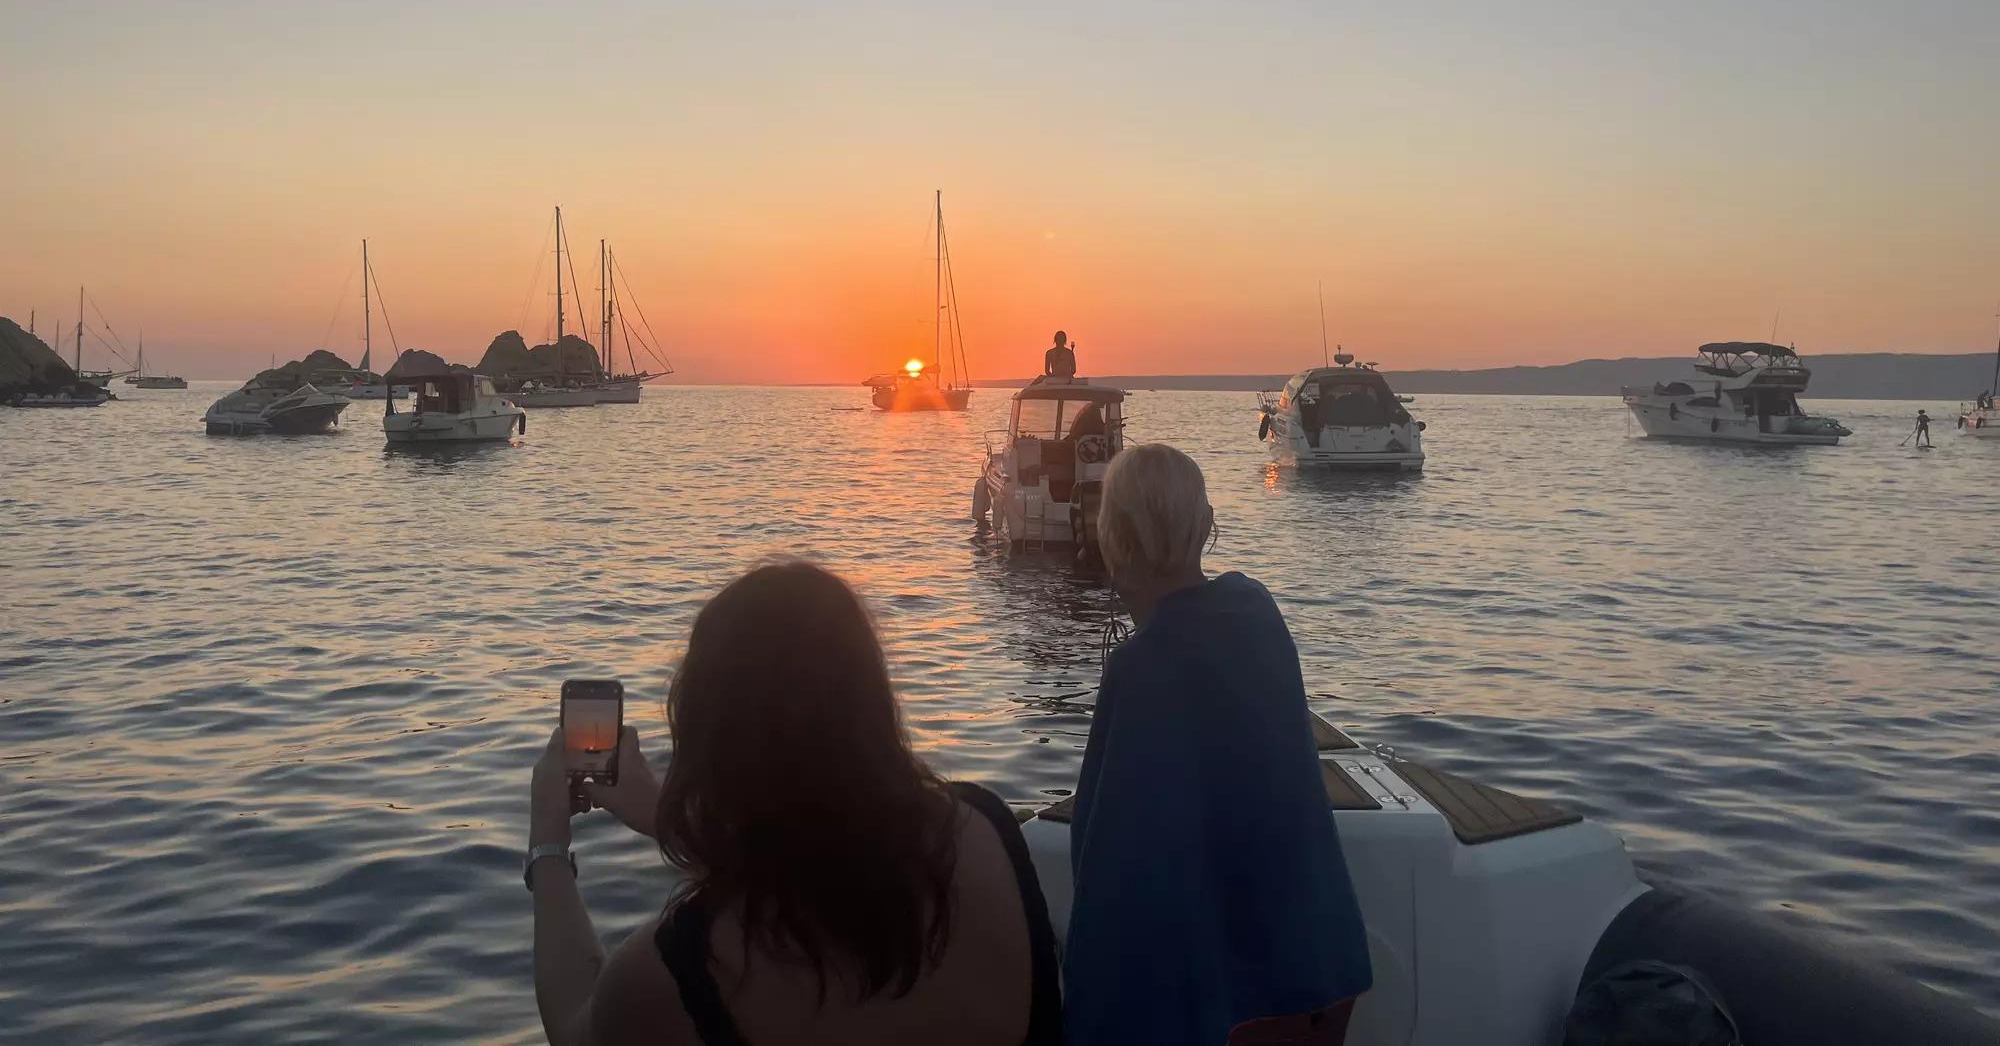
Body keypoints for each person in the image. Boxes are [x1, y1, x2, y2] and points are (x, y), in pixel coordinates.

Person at [527, 560, 1062, 1046]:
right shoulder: (987, 829)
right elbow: (829, 859)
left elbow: (575, 1026)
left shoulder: (676, 971)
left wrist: (548, 842)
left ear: (707, 735)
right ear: (871, 704)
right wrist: (671, 819)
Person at [1065, 445, 1371, 1045]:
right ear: (1205, 526)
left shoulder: (1141, 669)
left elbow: (1112, 864)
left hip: (1241, 1002)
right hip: (1326, 967)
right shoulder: (1256, 609)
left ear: (1111, 536)